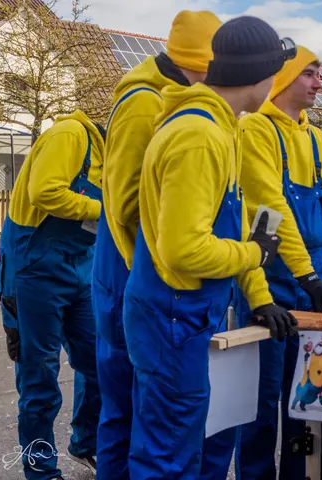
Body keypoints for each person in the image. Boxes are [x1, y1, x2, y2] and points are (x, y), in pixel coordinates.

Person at [122, 16, 298, 478]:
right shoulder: (200, 137)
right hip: (173, 314)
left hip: (186, 313)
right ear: (260, 75)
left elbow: (234, 229)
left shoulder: (223, 128)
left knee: (183, 442)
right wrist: (255, 255)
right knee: (168, 456)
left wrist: (259, 296)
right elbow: (185, 249)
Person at [92, 10, 221, 479]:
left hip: (139, 268)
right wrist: (154, 268)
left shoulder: (168, 97)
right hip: (127, 267)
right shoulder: (144, 102)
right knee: (126, 410)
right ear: (203, 63)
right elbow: (125, 204)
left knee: (142, 412)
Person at [236, 46, 322, 480]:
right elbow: (269, 210)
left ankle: (297, 476)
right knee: (259, 402)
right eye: (309, 73)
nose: (318, 83)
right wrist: (305, 274)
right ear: (284, 77)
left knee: (305, 401)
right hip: (269, 282)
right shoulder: (256, 130)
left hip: (311, 285)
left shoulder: (317, 139)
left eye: (318, 74)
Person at [0, 110, 105, 479]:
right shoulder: (71, 135)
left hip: (81, 266)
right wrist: (106, 210)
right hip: (33, 267)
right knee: (39, 378)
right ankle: (40, 470)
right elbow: (45, 191)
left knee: (100, 362)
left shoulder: (114, 159)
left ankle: (86, 443)